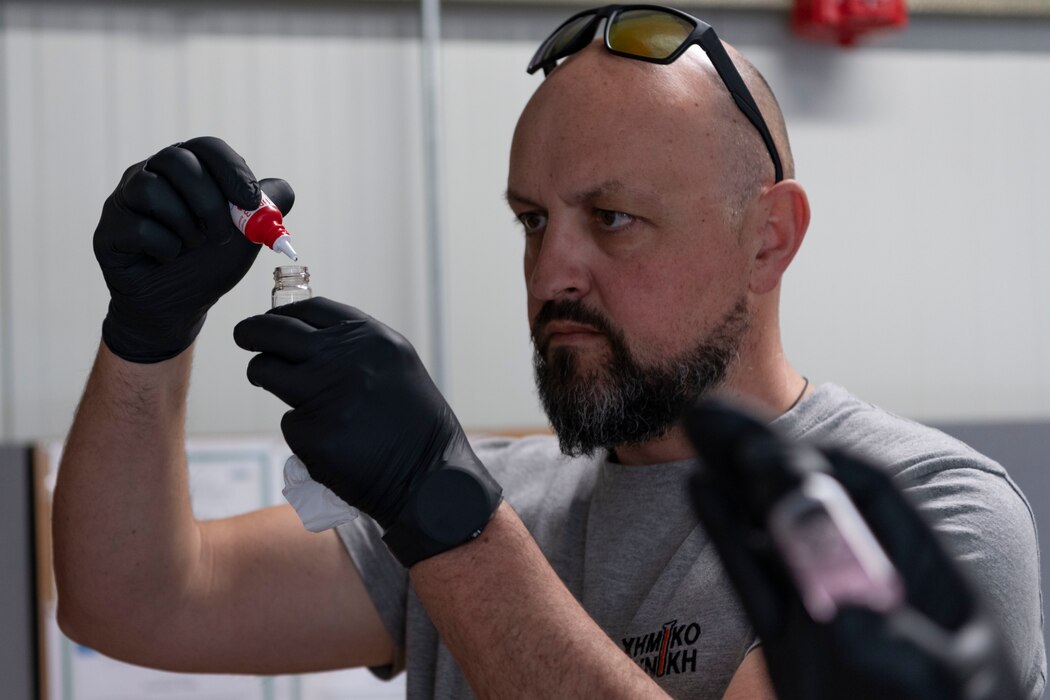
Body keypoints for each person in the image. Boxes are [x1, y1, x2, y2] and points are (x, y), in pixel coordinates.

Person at [51, 5, 1044, 699]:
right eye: (532, 219)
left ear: (768, 238)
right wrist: (146, 336)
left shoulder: (920, 514)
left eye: (612, 217)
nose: (551, 269)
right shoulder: (501, 500)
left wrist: (449, 522)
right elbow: (132, 600)